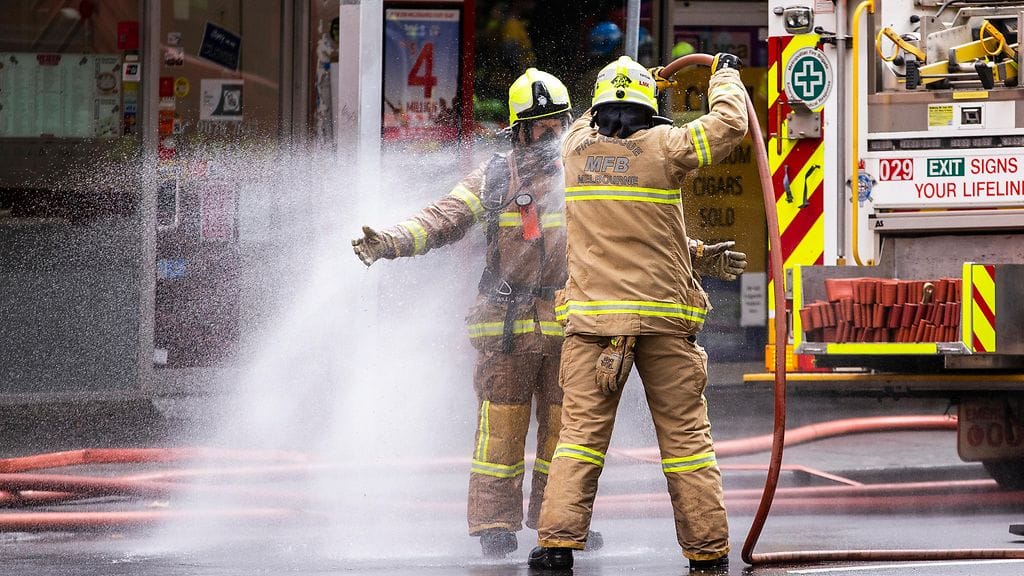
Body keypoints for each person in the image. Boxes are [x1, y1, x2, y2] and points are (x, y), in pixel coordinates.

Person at [351, 69, 590, 558]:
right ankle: (494, 524)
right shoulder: (495, 175)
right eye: (540, 125)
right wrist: (391, 242)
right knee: (500, 434)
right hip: (508, 329)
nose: (551, 134)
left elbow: (636, 227)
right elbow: (443, 217)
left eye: (558, 123)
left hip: (568, 326)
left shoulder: (584, 171)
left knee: (566, 434)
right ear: (518, 129)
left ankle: (557, 521)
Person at [528, 53, 749, 572]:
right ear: (650, 105)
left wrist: (634, 80)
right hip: (663, 326)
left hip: (591, 327)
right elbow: (730, 124)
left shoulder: (574, 148)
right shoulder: (667, 148)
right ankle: (706, 549)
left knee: (578, 440)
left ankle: (557, 543)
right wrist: (725, 74)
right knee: (686, 442)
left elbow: (591, 113)